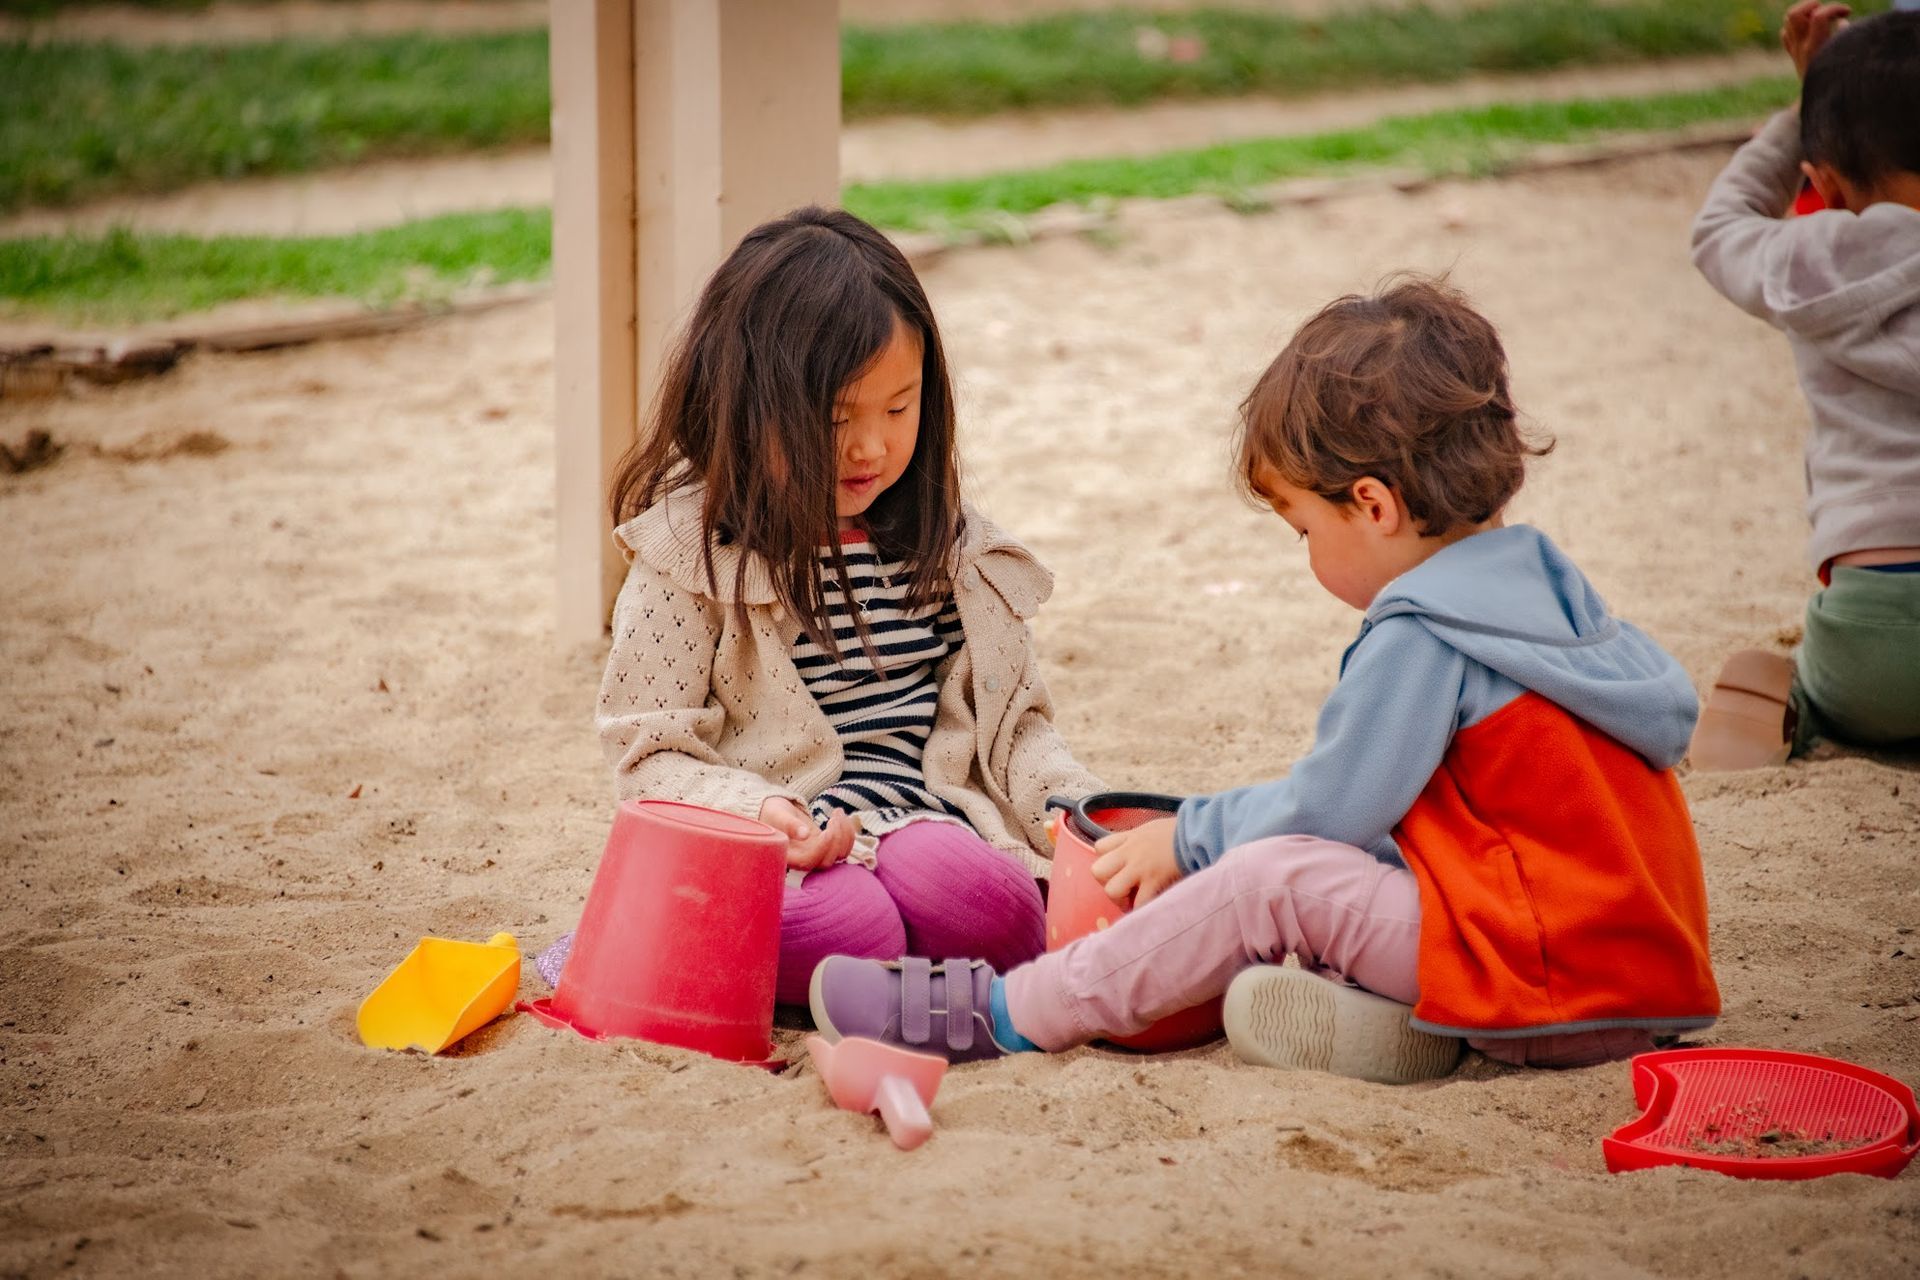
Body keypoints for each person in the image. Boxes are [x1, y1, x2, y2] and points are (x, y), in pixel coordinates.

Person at [809, 278, 1720, 1081]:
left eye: (1303, 529)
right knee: (1331, 871)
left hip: (1543, 972)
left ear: (1372, 504)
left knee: (1266, 882)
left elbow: (1328, 813)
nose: (1307, 554)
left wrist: (1193, 836)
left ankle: (1003, 1014)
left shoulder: (1425, 632)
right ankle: (1397, 1027)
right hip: (1637, 978)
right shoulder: (1549, 588)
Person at [536, 206, 1103, 1005]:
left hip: (922, 820)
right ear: (746, 405)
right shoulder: (692, 556)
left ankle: (891, 988)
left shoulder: (957, 551)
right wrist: (764, 809)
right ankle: (893, 978)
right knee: (851, 931)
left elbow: (1017, 732)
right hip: (775, 843)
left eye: (898, 409)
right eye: (836, 419)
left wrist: (1076, 809)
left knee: (991, 907)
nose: (870, 447)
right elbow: (649, 752)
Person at [1687, 1, 1920, 769]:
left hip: (1869, 640)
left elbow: (1719, 227)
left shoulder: (1807, 259)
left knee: (1830, 688)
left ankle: (1807, 709)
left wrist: (1803, 108)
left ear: (1822, 181)